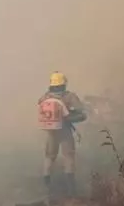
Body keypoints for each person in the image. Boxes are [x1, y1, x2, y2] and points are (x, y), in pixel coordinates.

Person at [37, 71, 87, 199]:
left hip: (50, 131)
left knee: (49, 157)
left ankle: (46, 187)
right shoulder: (69, 96)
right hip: (64, 131)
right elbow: (80, 112)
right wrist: (74, 116)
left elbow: (40, 105)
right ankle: (71, 191)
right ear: (64, 83)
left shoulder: (45, 97)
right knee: (68, 157)